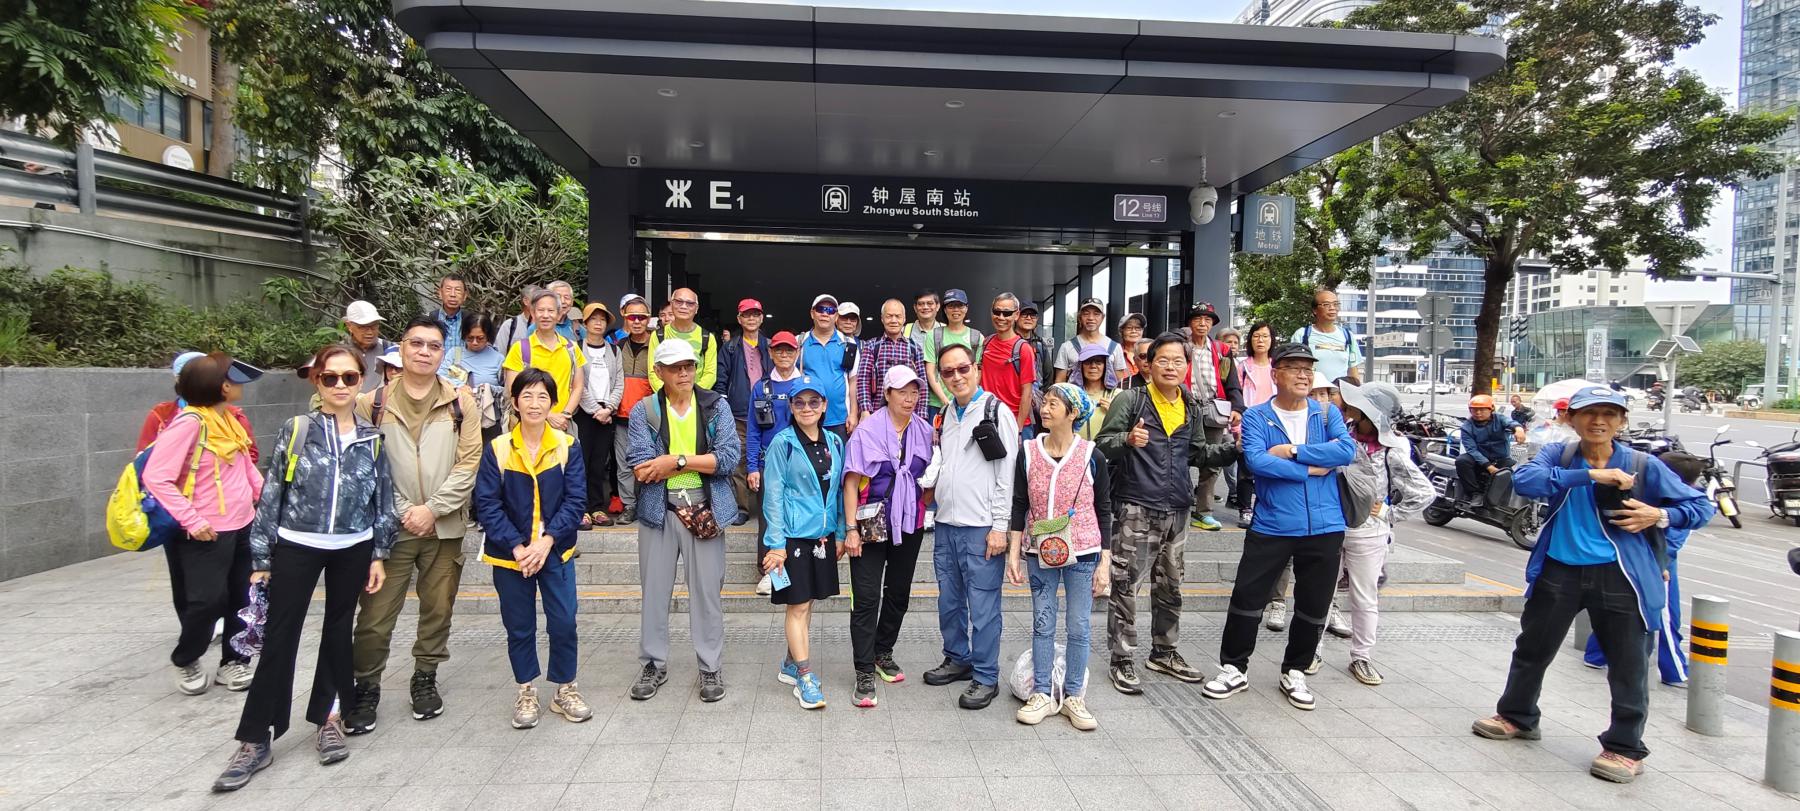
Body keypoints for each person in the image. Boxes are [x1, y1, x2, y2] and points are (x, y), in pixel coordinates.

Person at [1473, 385, 1713, 784]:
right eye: (1588, 413)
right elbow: (1526, 480)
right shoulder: (1561, 455)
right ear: (1571, 418)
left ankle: (1625, 747)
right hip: (1559, 569)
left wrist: (1658, 516)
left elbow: (1700, 506)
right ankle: (1517, 716)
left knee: (1628, 664)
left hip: (1621, 575)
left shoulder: (1642, 464)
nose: (1598, 421)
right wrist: (1591, 475)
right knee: (1532, 649)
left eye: (1609, 414)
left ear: (1621, 421)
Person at [211, 345, 396, 792]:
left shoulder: (372, 438)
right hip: (296, 543)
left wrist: (379, 552)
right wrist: (260, 558)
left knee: (338, 633)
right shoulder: (297, 430)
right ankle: (256, 736)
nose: (339, 385)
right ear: (317, 381)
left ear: (361, 381)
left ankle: (328, 718)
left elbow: (383, 499)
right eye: (330, 377)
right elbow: (272, 492)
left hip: (352, 546)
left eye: (349, 377)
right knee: (280, 636)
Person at [345, 317, 483, 734]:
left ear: (443, 354)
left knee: (438, 608)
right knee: (374, 615)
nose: (424, 352)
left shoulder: (461, 403)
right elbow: (367, 467)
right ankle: (366, 685)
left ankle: (425, 675)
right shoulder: (371, 404)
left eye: (434, 346)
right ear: (401, 348)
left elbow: (469, 463)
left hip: (445, 527)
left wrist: (433, 509)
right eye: (417, 343)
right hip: (390, 531)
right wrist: (407, 510)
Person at [1202, 342, 1355, 711]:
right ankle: (1234, 668)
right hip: (1273, 523)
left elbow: (1345, 451)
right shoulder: (1257, 416)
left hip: (1325, 524)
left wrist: (1293, 452)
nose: (1303, 375)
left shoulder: (1325, 413)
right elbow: (1257, 462)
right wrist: (1313, 469)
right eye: (1294, 368)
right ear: (1276, 374)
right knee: (1247, 597)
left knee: (1314, 603)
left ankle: (1296, 670)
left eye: (1308, 369)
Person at [1095, 334, 1238, 694]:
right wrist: (1127, 440)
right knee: (1126, 585)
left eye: (1178, 361)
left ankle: (1164, 652)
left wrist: (1233, 450)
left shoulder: (1190, 405)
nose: (1170, 367)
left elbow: (1198, 453)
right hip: (1136, 506)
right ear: (1148, 363)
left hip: (1178, 508)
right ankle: (1121, 658)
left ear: (1187, 366)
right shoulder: (1131, 399)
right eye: (1163, 360)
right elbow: (1101, 447)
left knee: (1171, 586)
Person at [474, 368, 591, 729]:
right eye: (527, 395)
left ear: (552, 403)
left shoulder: (567, 446)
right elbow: (487, 504)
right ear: (514, 402)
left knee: (564, 621)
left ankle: (565, 688)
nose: (535, 403)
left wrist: (546, 541)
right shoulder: (498, 448)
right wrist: (517, 546)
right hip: (511, 556)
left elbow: (576, 500)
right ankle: (526, 689)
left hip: (555, 550)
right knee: (519, 625)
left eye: (543, 396)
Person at [627, 339, 741, 703]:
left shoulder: (715, 405)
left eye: (689, 366)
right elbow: (642, 466)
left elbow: (728, 458)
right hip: (659, 511)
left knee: (707, 594)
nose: (684, 373)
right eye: (675, 367)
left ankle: (710, 666)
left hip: (705, 509)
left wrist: (675, 461)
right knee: (654, 592)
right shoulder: (645, 410)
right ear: (658, 372)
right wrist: (698, 461)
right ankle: (652, 663)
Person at [143, 353, 265, 697]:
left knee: (242, 598)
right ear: (221, 386)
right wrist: (192, 520)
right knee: (206, 601)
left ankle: (234, 661)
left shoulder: (228, 420)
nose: (238, 384)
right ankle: (187, 658)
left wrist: (268, 502)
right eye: (232, 378)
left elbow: (245, 468)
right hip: (203, 533)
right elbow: (156, 477)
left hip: (242, 525)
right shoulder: (189, 423)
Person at [1007, 382, 1113, 731]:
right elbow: (1019, 504)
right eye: (1046, 402)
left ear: (1073, 413)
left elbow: (1104, 509)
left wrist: (1105, 563)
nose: (1045, 408)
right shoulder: (1028, 451)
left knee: (1079, 624)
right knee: (1043, 620)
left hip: (1083, 549)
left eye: (1054, 404)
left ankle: (1074, 696)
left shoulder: (1092, 455)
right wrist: (1013, 552)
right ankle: (1041, 692)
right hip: (1040, 548)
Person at [921, 342, 1018, 710]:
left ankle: (986, 675)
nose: (957, 377)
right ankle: (957, 657)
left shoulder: (996, 411)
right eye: (948, 372)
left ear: (976, 368)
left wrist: (1000, 526)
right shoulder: (946, 413)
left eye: (963, 368)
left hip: (981, 527)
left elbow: (1006, 473)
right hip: (946, 524)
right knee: (949, 601)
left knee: (983, 606)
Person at [842, 366, 936, 708]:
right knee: (866, 598)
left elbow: (930, 474)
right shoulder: (866, 430)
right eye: (902, 392)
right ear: (887, 394)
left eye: (914, 391)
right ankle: (864, 670)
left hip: (909, 522)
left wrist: (921, 501)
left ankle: (883, 651)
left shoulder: (924, 430)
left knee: (898, 593)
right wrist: (850, 529)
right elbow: (851, 481)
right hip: (869, 523)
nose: (909, 398)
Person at [1332, 381, 1433, 686]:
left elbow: (1424, 492)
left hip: (1369, 532)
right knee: (1320, 594)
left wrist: (1390, 513)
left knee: (1364, 597)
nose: (1349, 408)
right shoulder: (1341, 436)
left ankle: (1361, 656)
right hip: (1332, 526)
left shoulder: (1392, 450)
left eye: (1357, 405)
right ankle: (1312, 651)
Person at [1582, 451, 1707, 687]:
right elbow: (1672, 542)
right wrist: (1661, 565)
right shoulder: (1680, 503)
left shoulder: (1643, 491)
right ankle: (1675, 671)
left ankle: (1596, 655)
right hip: (1657, 565)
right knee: (1664, 617)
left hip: (1625, 558)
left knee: (1618, 609)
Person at [759, 376, 845, 710]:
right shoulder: (782, 443)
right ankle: (805, 677)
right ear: (791, 407)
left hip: (822, 537)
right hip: (791, 539)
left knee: (807, 603)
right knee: (796, 606)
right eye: (799, 402)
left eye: (813, 402)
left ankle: (790, 663)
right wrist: (775, 544)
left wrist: (840, 532)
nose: (807, 408)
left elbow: (838, 492)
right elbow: (772, 495)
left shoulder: (834, 442)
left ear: (824, 406)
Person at [747, 331, 807, 595]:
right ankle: (771, 575)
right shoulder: (761, 388)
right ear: (770, 353)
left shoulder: (806, 385)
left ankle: (795, 571)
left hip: (799, 463)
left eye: (789, 350)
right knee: (769, 518)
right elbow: (752, 430)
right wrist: (752, 467)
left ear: (797, 353)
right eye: (779, 350)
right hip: (768, 464)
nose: (784, 355)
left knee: (797, 517)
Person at [1183, 302, 1242, 532]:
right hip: (1184, 408)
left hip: (1213, 410)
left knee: (1213, 461)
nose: (1202, 323)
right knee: (1179, 457)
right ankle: (1181, 505)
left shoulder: (1221, 350)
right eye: (1197, 319)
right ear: (1190, 322)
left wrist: (1237, 407)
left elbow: (1232, 382)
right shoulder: (1180, 346)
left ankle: (1204, 511)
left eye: (1207, 320)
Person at [715, 298, 772, 526]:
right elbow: (721, 380)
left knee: (768, 460)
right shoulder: (730, 347)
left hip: (767, 414)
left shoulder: (770, 345)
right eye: (746, 315)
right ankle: (742, 507)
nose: (751, 318)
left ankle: (768, 505)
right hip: (739, 413)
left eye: (755, 314)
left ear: (761, 318)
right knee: (738, 461)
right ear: (739, 319)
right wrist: (724, 410)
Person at [503, 288, 587, 435]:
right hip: (529, 425)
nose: (546, 315)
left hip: (563, 424)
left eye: (551, 310)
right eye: (541, 310)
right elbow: (513, 390)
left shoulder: (572, 348)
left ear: (558, 314)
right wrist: (548, 415)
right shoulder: (520, 349)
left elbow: (578, 386)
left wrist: (565, 414)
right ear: (533, 313)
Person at [579, 302, 624, 528]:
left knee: (599, 463)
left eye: (602, 319)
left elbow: (619, 383)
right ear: (585, 323)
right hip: (583, 413)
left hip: (607, 413)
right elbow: (576, 384)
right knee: (581, 461)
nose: (598, 323)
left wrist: (608, 408)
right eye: (593, 319)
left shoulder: (614, 350)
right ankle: (581, 508)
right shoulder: (576, 349)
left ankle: (597, 507)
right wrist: (595, 409)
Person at [613, 294, 655, 524]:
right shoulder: (617, 347)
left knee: (650, 462)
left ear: (648, 318)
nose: (637, 321)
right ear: (625, 318)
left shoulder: (657, 345)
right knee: (624, 465)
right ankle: (629, 505)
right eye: (632, 317)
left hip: (650, 416)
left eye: (641, 317)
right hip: (622, 416)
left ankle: (649, 505)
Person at [855, 298, 928, 422]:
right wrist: (865, 410)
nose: (894, 320)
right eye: (889, 316)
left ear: (904, 319)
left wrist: (921, 414)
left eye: (898, 316)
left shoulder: (915, 348)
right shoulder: (872, 346)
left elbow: (923, 385)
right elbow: (863, 380)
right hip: (877, 414)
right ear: (882, 319)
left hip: (908, 415)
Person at [799, 294, 857, 437]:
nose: (825, 314)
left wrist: (854, 414)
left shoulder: (848, 344)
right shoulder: (799, 342)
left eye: (830, 311)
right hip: (807, 417)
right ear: (812, 313)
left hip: (840, 419)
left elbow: (853, 381)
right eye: (821, 309)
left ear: (836, 316)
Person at [921, 288, 984, 421]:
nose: (956, 310)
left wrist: (969, 398)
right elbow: (930, 372)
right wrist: (946, 401)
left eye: (960, 306)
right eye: (951, 306)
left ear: (966, 308)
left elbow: (977, 370)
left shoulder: (977, 337)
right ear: (944, 309)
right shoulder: (934, 336)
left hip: (968, 404)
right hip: (938, 404)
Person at [981, 292, 1038, 438]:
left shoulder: (1024, 349)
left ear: (1016, 315)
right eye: (997, 312)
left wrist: (1018, 429)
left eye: (1007, 313)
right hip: (988, 421)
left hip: (1015, 423)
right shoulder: (986, 343)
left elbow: (1027, 392)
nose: (1001, 317)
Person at [1457, 394, 1527, 506]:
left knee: (1519, 472)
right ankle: (1475, 493)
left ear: (1491, 409)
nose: (1478, 413)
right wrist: (1489, 466)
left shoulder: (1499, 419)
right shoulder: (1467, 427)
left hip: (1501, 458)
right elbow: (1472, 450)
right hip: (1479, 459)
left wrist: (1519, 429)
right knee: (1462, 461)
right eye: (1474, 410)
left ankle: (1508, 503)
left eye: (1482, 409)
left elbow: (1511, 423)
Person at [1237, 322, 1275, 531]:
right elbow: (1236, 397)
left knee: (1271, 468)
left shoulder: (1278, 367)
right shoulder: (1243, 367)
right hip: (1250, 423)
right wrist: (1237, 428)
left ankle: (1267, 508)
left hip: (1274, 424)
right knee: (1247, 469)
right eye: (1256, 336)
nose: (1261, 340)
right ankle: (1245, 508)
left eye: (1265, 336)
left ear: (1272, 340)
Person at [646, 287, 719, 392]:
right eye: (679, 302)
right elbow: (653, 372)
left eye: (690, 303)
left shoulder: (707, 338)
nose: (684, 306)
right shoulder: (658, 335)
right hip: (667, 397)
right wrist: (669, 394)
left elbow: (710, 374)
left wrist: (692, 395)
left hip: (697, 398)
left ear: (696, 309)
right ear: (671, 305)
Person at [1291, 288, 1363, 383]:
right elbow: (1293, 367)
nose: (1332, 308)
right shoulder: (1302, 335)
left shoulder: (1347, 336)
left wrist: (1357, 390)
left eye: (1335, 304)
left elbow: (1353, 370)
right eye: (1326, 304)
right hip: (1312, 390)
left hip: (1339, 391)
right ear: (1315, 310)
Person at [1054, 297, 1129, 386]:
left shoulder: (1115, 347)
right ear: (1079, 317)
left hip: (1106, 395)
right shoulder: (1066, 347)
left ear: (1103, 317)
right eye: (1086, 314)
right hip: (1075, 394)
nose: (1091, 318)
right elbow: (1060, 382)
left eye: (1096, 314)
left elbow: (1120, 382)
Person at [343, 300, 391, 391]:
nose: (370, 332)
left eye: (374, 326)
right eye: (363, 327)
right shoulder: (338, 352)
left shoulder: (390, 349)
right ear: (349, 326)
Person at [1073, 343, 1117, 441]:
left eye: (1098, 362)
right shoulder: (1071, 395)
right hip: (1077, 448)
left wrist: (1115, 412)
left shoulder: (1117, 395)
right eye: (1087, 362)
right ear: (1080, 366)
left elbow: (1126, 429)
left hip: (1107, 449)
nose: (1093, 366)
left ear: (1106, 366)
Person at [492, 285, 539, 359]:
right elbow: (499, 355)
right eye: (537, 299)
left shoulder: (547, 325)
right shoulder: (510, 325)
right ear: (526, 301)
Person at [1017, 301, 1051, 388]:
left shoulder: (1040, 344)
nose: (1028, 318)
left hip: (1037, 394)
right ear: (1016, 316)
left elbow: (1048, 375)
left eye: (1032, 315)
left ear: (1037, 319)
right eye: (1024, 314)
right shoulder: (1009, 341)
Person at [433, 274, 467, 355]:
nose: (453, 294)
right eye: (448, 289)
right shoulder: (429, 319)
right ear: (440, 293)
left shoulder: (472, 321)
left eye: (458, 290)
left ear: (465, 295)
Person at [546, 280, 584, 345]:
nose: (562, 301)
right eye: (558, 297)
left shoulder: (579, 330)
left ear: (572, 302)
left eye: (566, 297)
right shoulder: (537, 327)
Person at [1117, 313, 1147, 383]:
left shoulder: (1150, 352)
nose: (1134, 331)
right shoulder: (1115, 353)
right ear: (1121, 331)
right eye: (1129, 328)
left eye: (1138, 328)